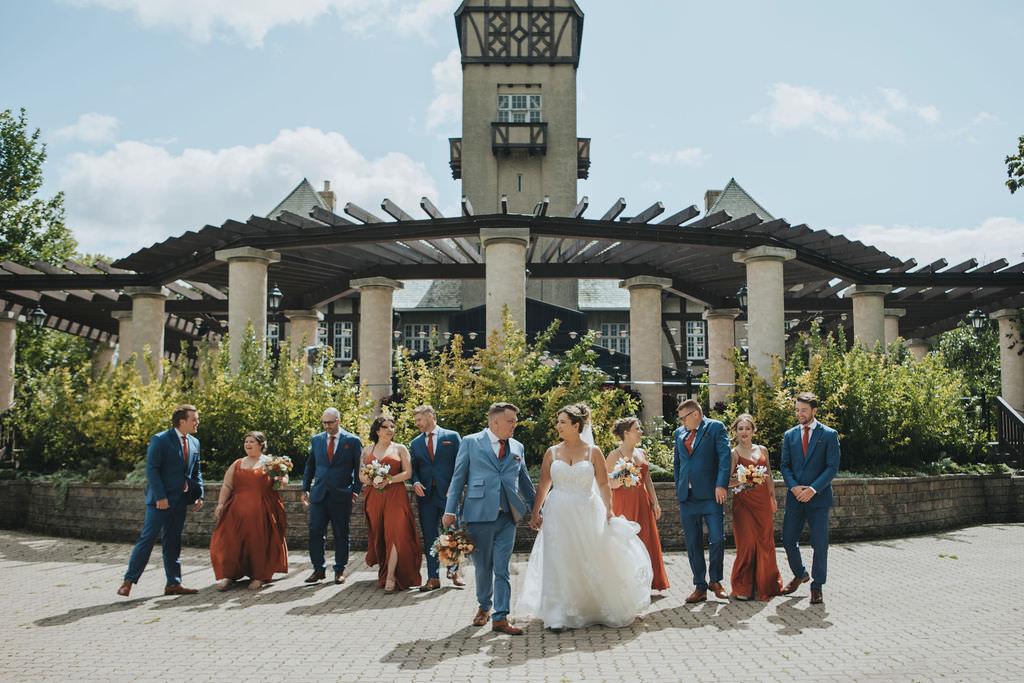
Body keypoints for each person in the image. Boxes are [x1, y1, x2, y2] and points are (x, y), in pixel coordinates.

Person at [518, 404, 652, 630]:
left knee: (588, 556)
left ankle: (590, 606)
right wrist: (535, 512)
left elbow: (603, 484)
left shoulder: (593, 452)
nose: (558, 426)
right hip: (558, 512)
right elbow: (543, 485)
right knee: (558, 558)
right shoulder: (552, 452)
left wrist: (609, 509)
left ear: (576, 425)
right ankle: (558, 612)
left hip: (587, 510)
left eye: (562, 422)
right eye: (558, 422)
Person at [442, 402, 536, 635]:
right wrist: (450, 510)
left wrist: (537, 510)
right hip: (478, 515)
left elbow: (525, 481)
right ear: (495, 422)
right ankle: (484, 606)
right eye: (510, 421)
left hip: (508, 517)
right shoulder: (471, 442)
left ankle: (501, 617)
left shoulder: (518, 446)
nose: (514, 425)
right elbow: (458, 478)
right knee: (483, 567)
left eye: (515, 421)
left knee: (502, 568)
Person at [117, 404, 204, 597]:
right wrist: (161, 496)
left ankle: (173, 583)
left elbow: (196, 472)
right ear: (182, 421)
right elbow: (152, 470)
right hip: (160, 502)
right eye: (194, 419)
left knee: (173, 541)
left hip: (180, 501)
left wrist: (199, 495)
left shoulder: (195, 443)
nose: (197, 422)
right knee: (147, 539)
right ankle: (128, 582)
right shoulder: (160, 439)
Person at [780, 392, 840, 605]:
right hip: (795, 497)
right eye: (797, 410)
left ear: (814, 410)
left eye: (804, 410)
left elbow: (832, 467)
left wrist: (813, 489)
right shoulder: (790, 435)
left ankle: (817, 587)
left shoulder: (829, 435)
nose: (800, 414)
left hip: (818, 499)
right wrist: (794, 487)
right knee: (788, 540)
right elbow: (785, 465)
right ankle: (800, 573)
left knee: (820, 544)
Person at [209, 431, 288, 591]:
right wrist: (220, 504)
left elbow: (282, 482)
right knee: (230, 542)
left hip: (262, 510)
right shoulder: (237, 463)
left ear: (261, 445)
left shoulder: (270, 462)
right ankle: (228, 576)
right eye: (246, 441)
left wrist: (281, 479)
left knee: (258, 542)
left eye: (252, 441)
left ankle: (259, 576)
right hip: (236, 511)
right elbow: (227, 485)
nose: (248, 444)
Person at [673, 398, 731, 604]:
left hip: (711, 495)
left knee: (717, 538)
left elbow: (725, 458)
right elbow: (678, 463)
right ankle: (700, 586)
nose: (682, 423)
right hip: (687, 497)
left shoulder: (715, 428)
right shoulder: (679, 434)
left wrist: (721, 485)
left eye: (684, 418)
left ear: (695, 414)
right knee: (692, 542)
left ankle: (715, 581)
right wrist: (679, 487)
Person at [606, 416, 669, 591]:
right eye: (637, 429)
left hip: (643, 501)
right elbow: (607, 484)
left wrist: (655, 502)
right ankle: (628, 584)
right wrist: (622, 476)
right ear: (626, 433)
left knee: (646, 539)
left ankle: (649, 581)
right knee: (628, 542)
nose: (641, 431)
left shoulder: (641, 453)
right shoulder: (613, 455)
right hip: (624, 503)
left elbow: (647, 479)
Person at [360, 415, 422, 592]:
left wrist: (389, 480)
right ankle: (384, 569)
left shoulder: (400, 448)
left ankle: (391, 576)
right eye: (385, 427)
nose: (390, 430)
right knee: (379, 534)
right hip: (374, 497)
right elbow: (361, 475)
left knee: (396, 534)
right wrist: (371, 480)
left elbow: (408, 473)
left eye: (392, 427)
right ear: (377, 431)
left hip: (396, 496)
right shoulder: (367, 449)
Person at [302, 407, 362, 584]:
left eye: (330, 422)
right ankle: (318, 569)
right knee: (315, 531)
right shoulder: (317, 440)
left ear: (338, 421)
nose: (327, 426)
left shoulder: (352, 441)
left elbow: (359, 468)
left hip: (341, 495)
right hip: (319, 494)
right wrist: (305, 488)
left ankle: (339, 570)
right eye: (324, 423)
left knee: (341, 533)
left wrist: (355, 491)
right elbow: (310, 466)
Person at [727, 414, 782, 601]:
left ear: (753, 431)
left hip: (762, 503)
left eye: (747, 428)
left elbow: (769, 476)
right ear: (735, 432)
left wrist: (772, 498)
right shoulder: (734, 453)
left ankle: (766, 585)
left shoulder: (763, 450)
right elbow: (727, 481)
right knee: (747, 543)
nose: (744, 432)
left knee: (765, 541)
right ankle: (743, 587)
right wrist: (744, 478)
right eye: (740, 429)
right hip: (743, 504)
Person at [409, 404, 464, 592]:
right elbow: (413, 469)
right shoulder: (415, 443)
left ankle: (454, 572)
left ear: (430, 416)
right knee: (430, 536)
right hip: (426, 497)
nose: (417, 423)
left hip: (449, 494)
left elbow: (461, 464)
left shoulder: (452, 437)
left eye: (419, 419)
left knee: (452, 533)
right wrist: (415, 482)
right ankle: (433, 577)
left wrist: (455, 487)